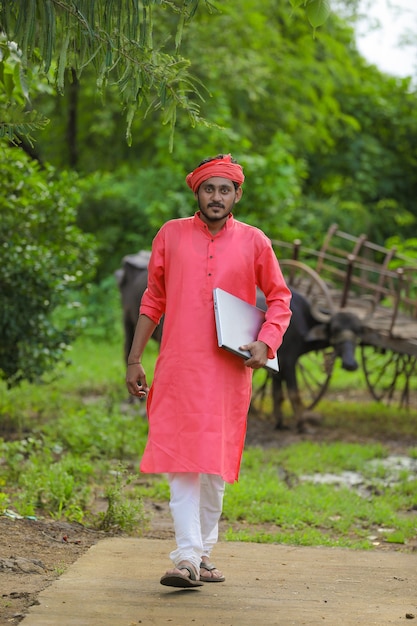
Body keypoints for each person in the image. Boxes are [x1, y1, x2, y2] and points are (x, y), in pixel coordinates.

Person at [126, 154, 292, 588]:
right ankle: (185, 557)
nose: (215, 197)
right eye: (208, 189)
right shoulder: (171, 234)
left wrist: (267, 340)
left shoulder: (256, 241)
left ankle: (203, 554)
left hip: (228, 372)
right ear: (196, 193)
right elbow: (152, 299)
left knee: (215, 467)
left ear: (237, 194)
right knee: (181, 460)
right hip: (178, 366)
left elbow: (279, 299)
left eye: (224, 189)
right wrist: (134, 358)